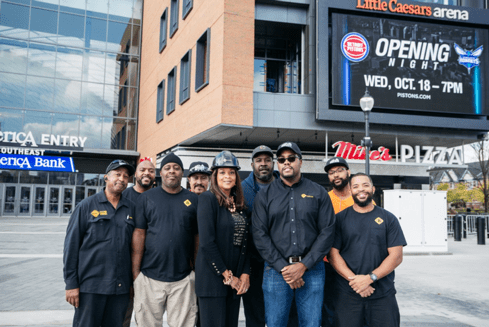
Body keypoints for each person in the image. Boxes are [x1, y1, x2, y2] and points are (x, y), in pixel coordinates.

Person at [252, 142, 336, 327]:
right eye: (281, 160)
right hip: (275, 271)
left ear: (300, 161)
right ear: (278, 165)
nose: (286, 163)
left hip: (312, 270)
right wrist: (284, 267)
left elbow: (327, 231)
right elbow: (259, 234)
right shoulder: (265, 195)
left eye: (291, 158)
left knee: (311, 324)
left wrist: (303, 265)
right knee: (275, 324)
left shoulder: (318, 192)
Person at [63, 159, 136, 327]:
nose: (122, 179)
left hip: (120, 288)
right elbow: (71, 247)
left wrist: (131, 284)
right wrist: (71, 284)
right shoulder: (86, 206)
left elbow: (134, 249)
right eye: (117, 174)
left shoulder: (131, 208)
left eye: (126, 176)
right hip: (91, 287)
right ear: (106, 178)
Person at [328, 173, 407, 327]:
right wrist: (356, 282)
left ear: (373, 188)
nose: (361, 190)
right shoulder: (339, 219)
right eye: (356, 186)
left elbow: (396, 256)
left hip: (382, 295)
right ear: (350, 191)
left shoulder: (388, 219)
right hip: (348, 295)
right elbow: (332, 254)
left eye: (365, 185)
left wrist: (370, 278)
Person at [132, 153, 198, 327]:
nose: (172, 171)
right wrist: (136, 273)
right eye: (167, 168)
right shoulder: (146, 198)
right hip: (149, 278)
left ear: (182, 173)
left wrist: (195, 270)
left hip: (183, 279)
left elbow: (197, 237)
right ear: (161, 173)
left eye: (176, 168)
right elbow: (139, 234)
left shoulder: (193, 199)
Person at [195, 151, 251, 327]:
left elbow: (246, 243)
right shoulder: (207, 199)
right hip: (213, 281)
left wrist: (245, 273)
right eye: (222, 172)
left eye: (231, 172)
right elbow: (206, 242)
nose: (227, 176)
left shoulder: (240, 206)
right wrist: (228, 275)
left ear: (236, 176)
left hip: (234, 283)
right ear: (215, 175)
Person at [241, 145, 279, 327]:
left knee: (281, 315)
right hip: (253, 264)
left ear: (273, 163)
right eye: (259, 160)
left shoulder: (286, 187)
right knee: (255, 317)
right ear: (252, 164)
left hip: (281, 263)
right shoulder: (241, 190)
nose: (263, 164)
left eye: (267, 160)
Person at [121, 158, 156, 327]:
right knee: (123, 314)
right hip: (125, 265)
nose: (146, 173)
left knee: (147, 317)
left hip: (151, 265)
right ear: (135, 174)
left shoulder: (159, 197)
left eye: (150, 170)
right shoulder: (124, 196)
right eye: (142, 170)